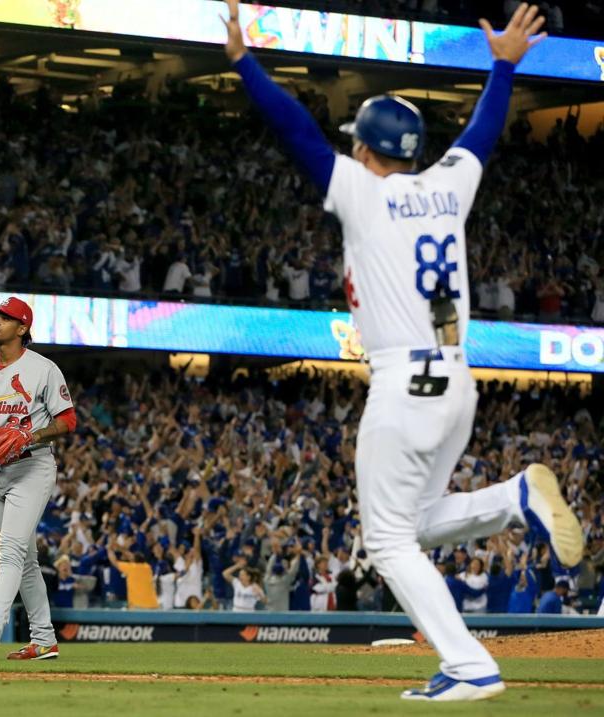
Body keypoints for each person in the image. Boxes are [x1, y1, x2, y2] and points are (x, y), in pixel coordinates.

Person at [222, 0, 579, 702]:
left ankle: (471, 664)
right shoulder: (447, 184)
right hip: (458, 382)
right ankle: (513, 497)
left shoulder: (362, 192)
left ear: (366, 148)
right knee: (408, 523)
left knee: (386, 541)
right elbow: (481, 131)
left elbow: (295, 129)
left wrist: (245, 64)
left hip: (405, 384)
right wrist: (504, 66)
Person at [0, 296, 76, 661]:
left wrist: (32, 435)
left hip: (33, 465)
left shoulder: (43, 368)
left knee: (9, 548)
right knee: (24, 558)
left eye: (5, 317)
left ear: (22, 328)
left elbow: (68, 420)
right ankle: (44, 639)